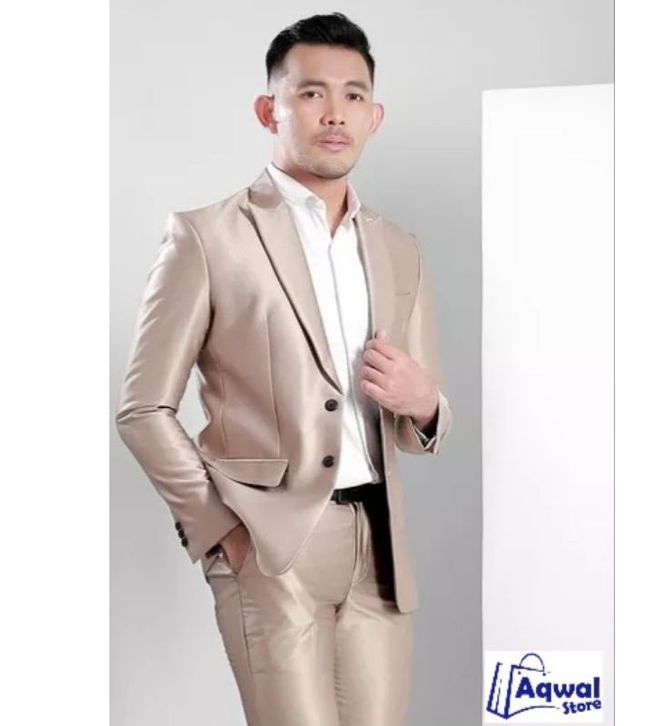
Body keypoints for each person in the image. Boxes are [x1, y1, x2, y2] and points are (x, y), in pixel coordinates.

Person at [115, 11, 452, 726]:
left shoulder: (400, 249)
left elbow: (417, 422)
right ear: (269, 109)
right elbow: (143, 409)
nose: (335, 113)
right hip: (268, 547)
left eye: (354, 96)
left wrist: (426, 405)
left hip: (380, 551)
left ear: (374, 116)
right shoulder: (207, 237)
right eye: (311, 93)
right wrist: (221, 529)